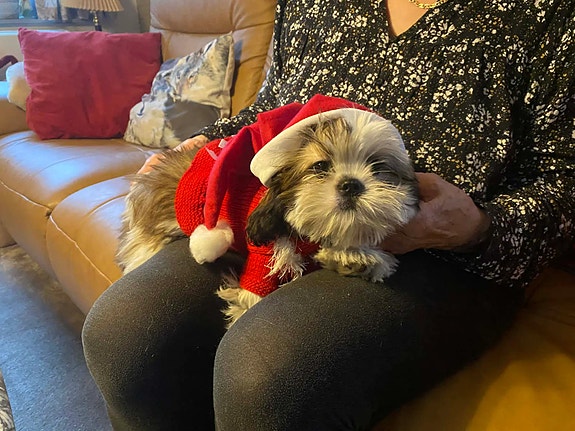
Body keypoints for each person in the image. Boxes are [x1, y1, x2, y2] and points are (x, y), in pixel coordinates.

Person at [82, 0, 575, 430]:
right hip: (287, 218)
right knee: (126, 332)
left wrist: (476, 229)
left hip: (449, 256)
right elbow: (273, 106)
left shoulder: (548, 14)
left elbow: (561, 183)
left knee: (268, 369)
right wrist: (207, 142)